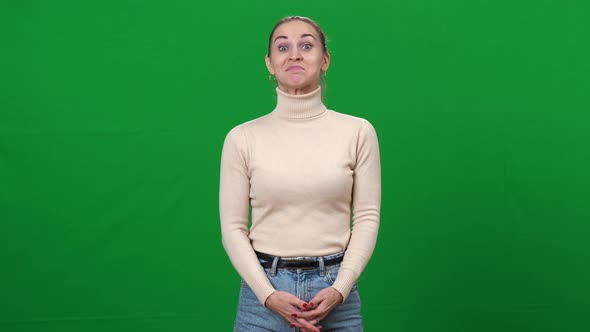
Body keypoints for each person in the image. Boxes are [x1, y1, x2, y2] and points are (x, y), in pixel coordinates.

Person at [219, 15, 381, 332]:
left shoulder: (358, 132)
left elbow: (367, 217)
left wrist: (340, 289)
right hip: (262, 294)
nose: (294, 54)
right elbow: (233, 228)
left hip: (335, 290)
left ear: (325, 60)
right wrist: (267, 295)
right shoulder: (242, 138)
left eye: (306, 45)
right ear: (270, 63)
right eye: (283, 47)